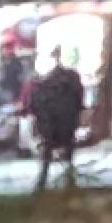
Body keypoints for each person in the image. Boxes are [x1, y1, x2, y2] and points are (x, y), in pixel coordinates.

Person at [30, 52, 86, 188]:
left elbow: (36, 105)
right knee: (67, 147)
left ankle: (44, 179)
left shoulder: (43, 83)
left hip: (51, 122)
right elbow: (79, 101)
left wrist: (40, 122)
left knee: (48, 149)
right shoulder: (72, 79)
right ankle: (68, 177)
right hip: (66, 120)